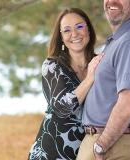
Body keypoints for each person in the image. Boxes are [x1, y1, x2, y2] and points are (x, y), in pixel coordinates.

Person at [76, 0, 130, 160]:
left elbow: (128, 103)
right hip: (101, 142)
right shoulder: (118, 41)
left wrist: (101, 146)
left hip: (110, 145)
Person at [28, 8, 103, 160]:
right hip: (51, 151)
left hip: (87, 151)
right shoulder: (52, 66)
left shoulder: (100, 63)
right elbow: (62, 109)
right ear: (61, 37)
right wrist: (90, 78)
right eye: (67, 30)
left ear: (89, 29)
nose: (74, 34)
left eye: (79, 26)